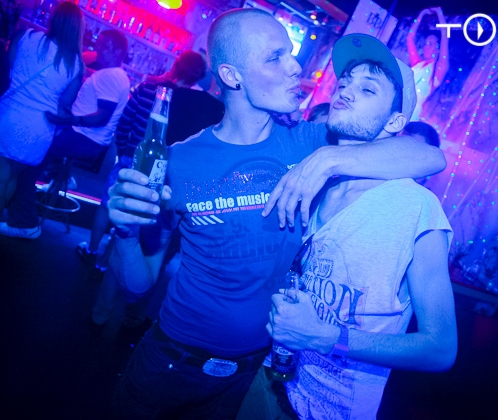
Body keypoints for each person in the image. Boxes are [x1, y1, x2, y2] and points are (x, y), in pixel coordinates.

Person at [106, 8, 446, 418]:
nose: (295, 67)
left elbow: (428, 156)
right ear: (232, 76)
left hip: (253, 374)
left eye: (290, 53)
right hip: (171, 364)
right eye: (275, 57)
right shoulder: (180, 162)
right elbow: (137, 286)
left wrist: (327, 160)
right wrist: (124, 235)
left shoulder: (313, 141)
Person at [238, 34, 457, 420]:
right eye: (345, 82)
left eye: (368, 89)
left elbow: (440, 349)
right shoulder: (316, 184)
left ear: (395, 121)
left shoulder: (415, 207)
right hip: (267, 383)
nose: (346, 91)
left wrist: (329, 337)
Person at [85, 50, 223, 338]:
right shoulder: (218, 114)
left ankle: (100, 313)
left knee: (126, 244)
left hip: (153, 183)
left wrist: (129, 155)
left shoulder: (174, 96)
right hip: (182, 197)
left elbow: (149, 136)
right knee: (155, 259)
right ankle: (132, 319)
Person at [0, 28, 130, 239]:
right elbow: (84, 59)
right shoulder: (115, 74)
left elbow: (102, 116)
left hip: (84, 137)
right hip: (84, 136)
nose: (97, 47)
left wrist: (70, 119)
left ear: (117, 52)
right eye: (98, 43)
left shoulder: (111, 76)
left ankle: (25, 224)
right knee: (34, 152)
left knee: (27, 164)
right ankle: (61, 175)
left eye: (104, 45)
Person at [0, 1, 84, 231]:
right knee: (11, 177)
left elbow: (8, 70)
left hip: (10, 115)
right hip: (39, 128)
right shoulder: (76, 64)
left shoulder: (25, 36)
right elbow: (65, 103)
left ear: (52, 18)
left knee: (2, 175)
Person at [406, 6, 449, 121]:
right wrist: (422, 13)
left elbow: (445, 36)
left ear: (438, 49)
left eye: (431, 44)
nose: (426, 46)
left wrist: (440, 14)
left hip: (410, 114)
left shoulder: (439, 69)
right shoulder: (418, 64)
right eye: (425, 43)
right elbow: (409, 38)